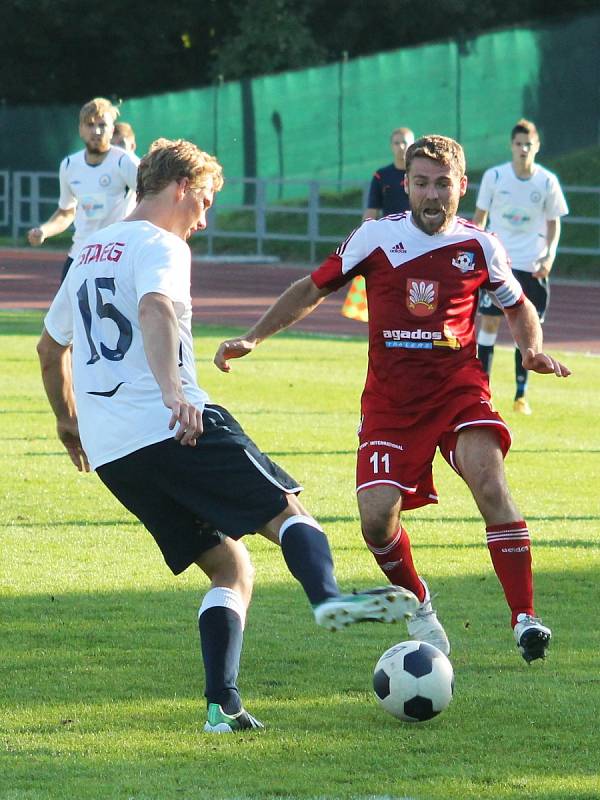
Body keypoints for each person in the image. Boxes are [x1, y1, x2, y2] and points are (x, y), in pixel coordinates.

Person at [36, 138, 419, 735]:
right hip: (173, 426)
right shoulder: (161, 244)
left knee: (230, 568)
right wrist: (171, 392)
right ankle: (329, 598)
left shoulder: (86, 251)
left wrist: (67, 422)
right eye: (205, 200)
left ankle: (222, 705)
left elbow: (49, 345)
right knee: (291, 514)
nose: (205, 217)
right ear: (180, 187)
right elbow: (157, 309)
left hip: (114, 455)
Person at [214, 134, 571, 665]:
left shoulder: (481, 245)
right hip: (391, 403)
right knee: (376, 520)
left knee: (490, 480)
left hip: (458, 390)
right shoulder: (375, 237)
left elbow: (517, 306)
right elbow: (312, 287)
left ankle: (525, 618)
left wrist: (532, 349)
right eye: (421, 183)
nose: (431, 194)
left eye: (442, 184)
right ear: (405, 185)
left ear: (461, 187)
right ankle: (420, 603)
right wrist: (254, 336)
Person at [474, 119, 569, 414]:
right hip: (499, 264)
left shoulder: (547, 181)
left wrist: (549, 255)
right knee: (488, 323)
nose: (523, 149)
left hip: (531, 265)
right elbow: (480, 218)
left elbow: (554, 224)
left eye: (529, 144)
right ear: (511, 146)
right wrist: (479, 251)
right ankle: (482, 392)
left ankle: (520, 395)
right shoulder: (495, 177)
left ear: (537, 146)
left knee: (527, 330)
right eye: (518, 144)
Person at [28, 97, 139, 283]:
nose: (96, 131)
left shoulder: (125, 162)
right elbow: (66, 212)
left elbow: (152, 199)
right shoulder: (70, 165)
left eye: (102, 125)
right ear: (80, 129)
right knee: (63, 312)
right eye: (90, 124)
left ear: (112, 130)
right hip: (80, 256)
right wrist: (44, 231)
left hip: (115, 259)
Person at [342, 127, 415, 322]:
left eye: (405, 142)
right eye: (397, 143)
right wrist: (364, 240)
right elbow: (371, 211)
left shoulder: (419, 175)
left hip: (418, 240)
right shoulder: (381, 176)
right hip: (390, 242)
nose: (401, 147)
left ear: (413, 145)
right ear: (391, 146)